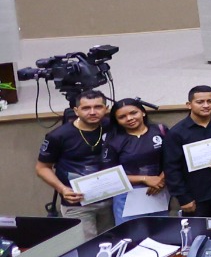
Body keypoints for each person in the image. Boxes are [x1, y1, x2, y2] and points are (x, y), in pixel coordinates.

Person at [35, 89, 116, 217]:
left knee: (112, 237)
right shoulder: (58, 136)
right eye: (86, 108)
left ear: (106, 109)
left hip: (111, 199)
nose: (92, 112)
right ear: (76, 110)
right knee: (86, 238)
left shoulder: (114, 127)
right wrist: (62, 189)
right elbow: (42, 168)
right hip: (77, 203)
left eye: (98, 107)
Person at [164, 86, 211, 216]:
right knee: (198, 234)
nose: (206, 105)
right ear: (189, 105)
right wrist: (183, 198)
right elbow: (171, 168)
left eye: (210, 101)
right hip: (195, 197)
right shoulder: (177, 133)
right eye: (200, 102)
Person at [107, 98, 168, 223]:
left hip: (159, 191)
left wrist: (162, 179)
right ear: (117, 121)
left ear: (143, 112)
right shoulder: (113, 140)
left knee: (161, 233)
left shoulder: (160, 130)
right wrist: (146, 179)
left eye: (133, 113)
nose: (129, 118)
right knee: (130, 236)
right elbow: (109, 174)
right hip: (127, 196)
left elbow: (174, 158)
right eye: (122, 117)